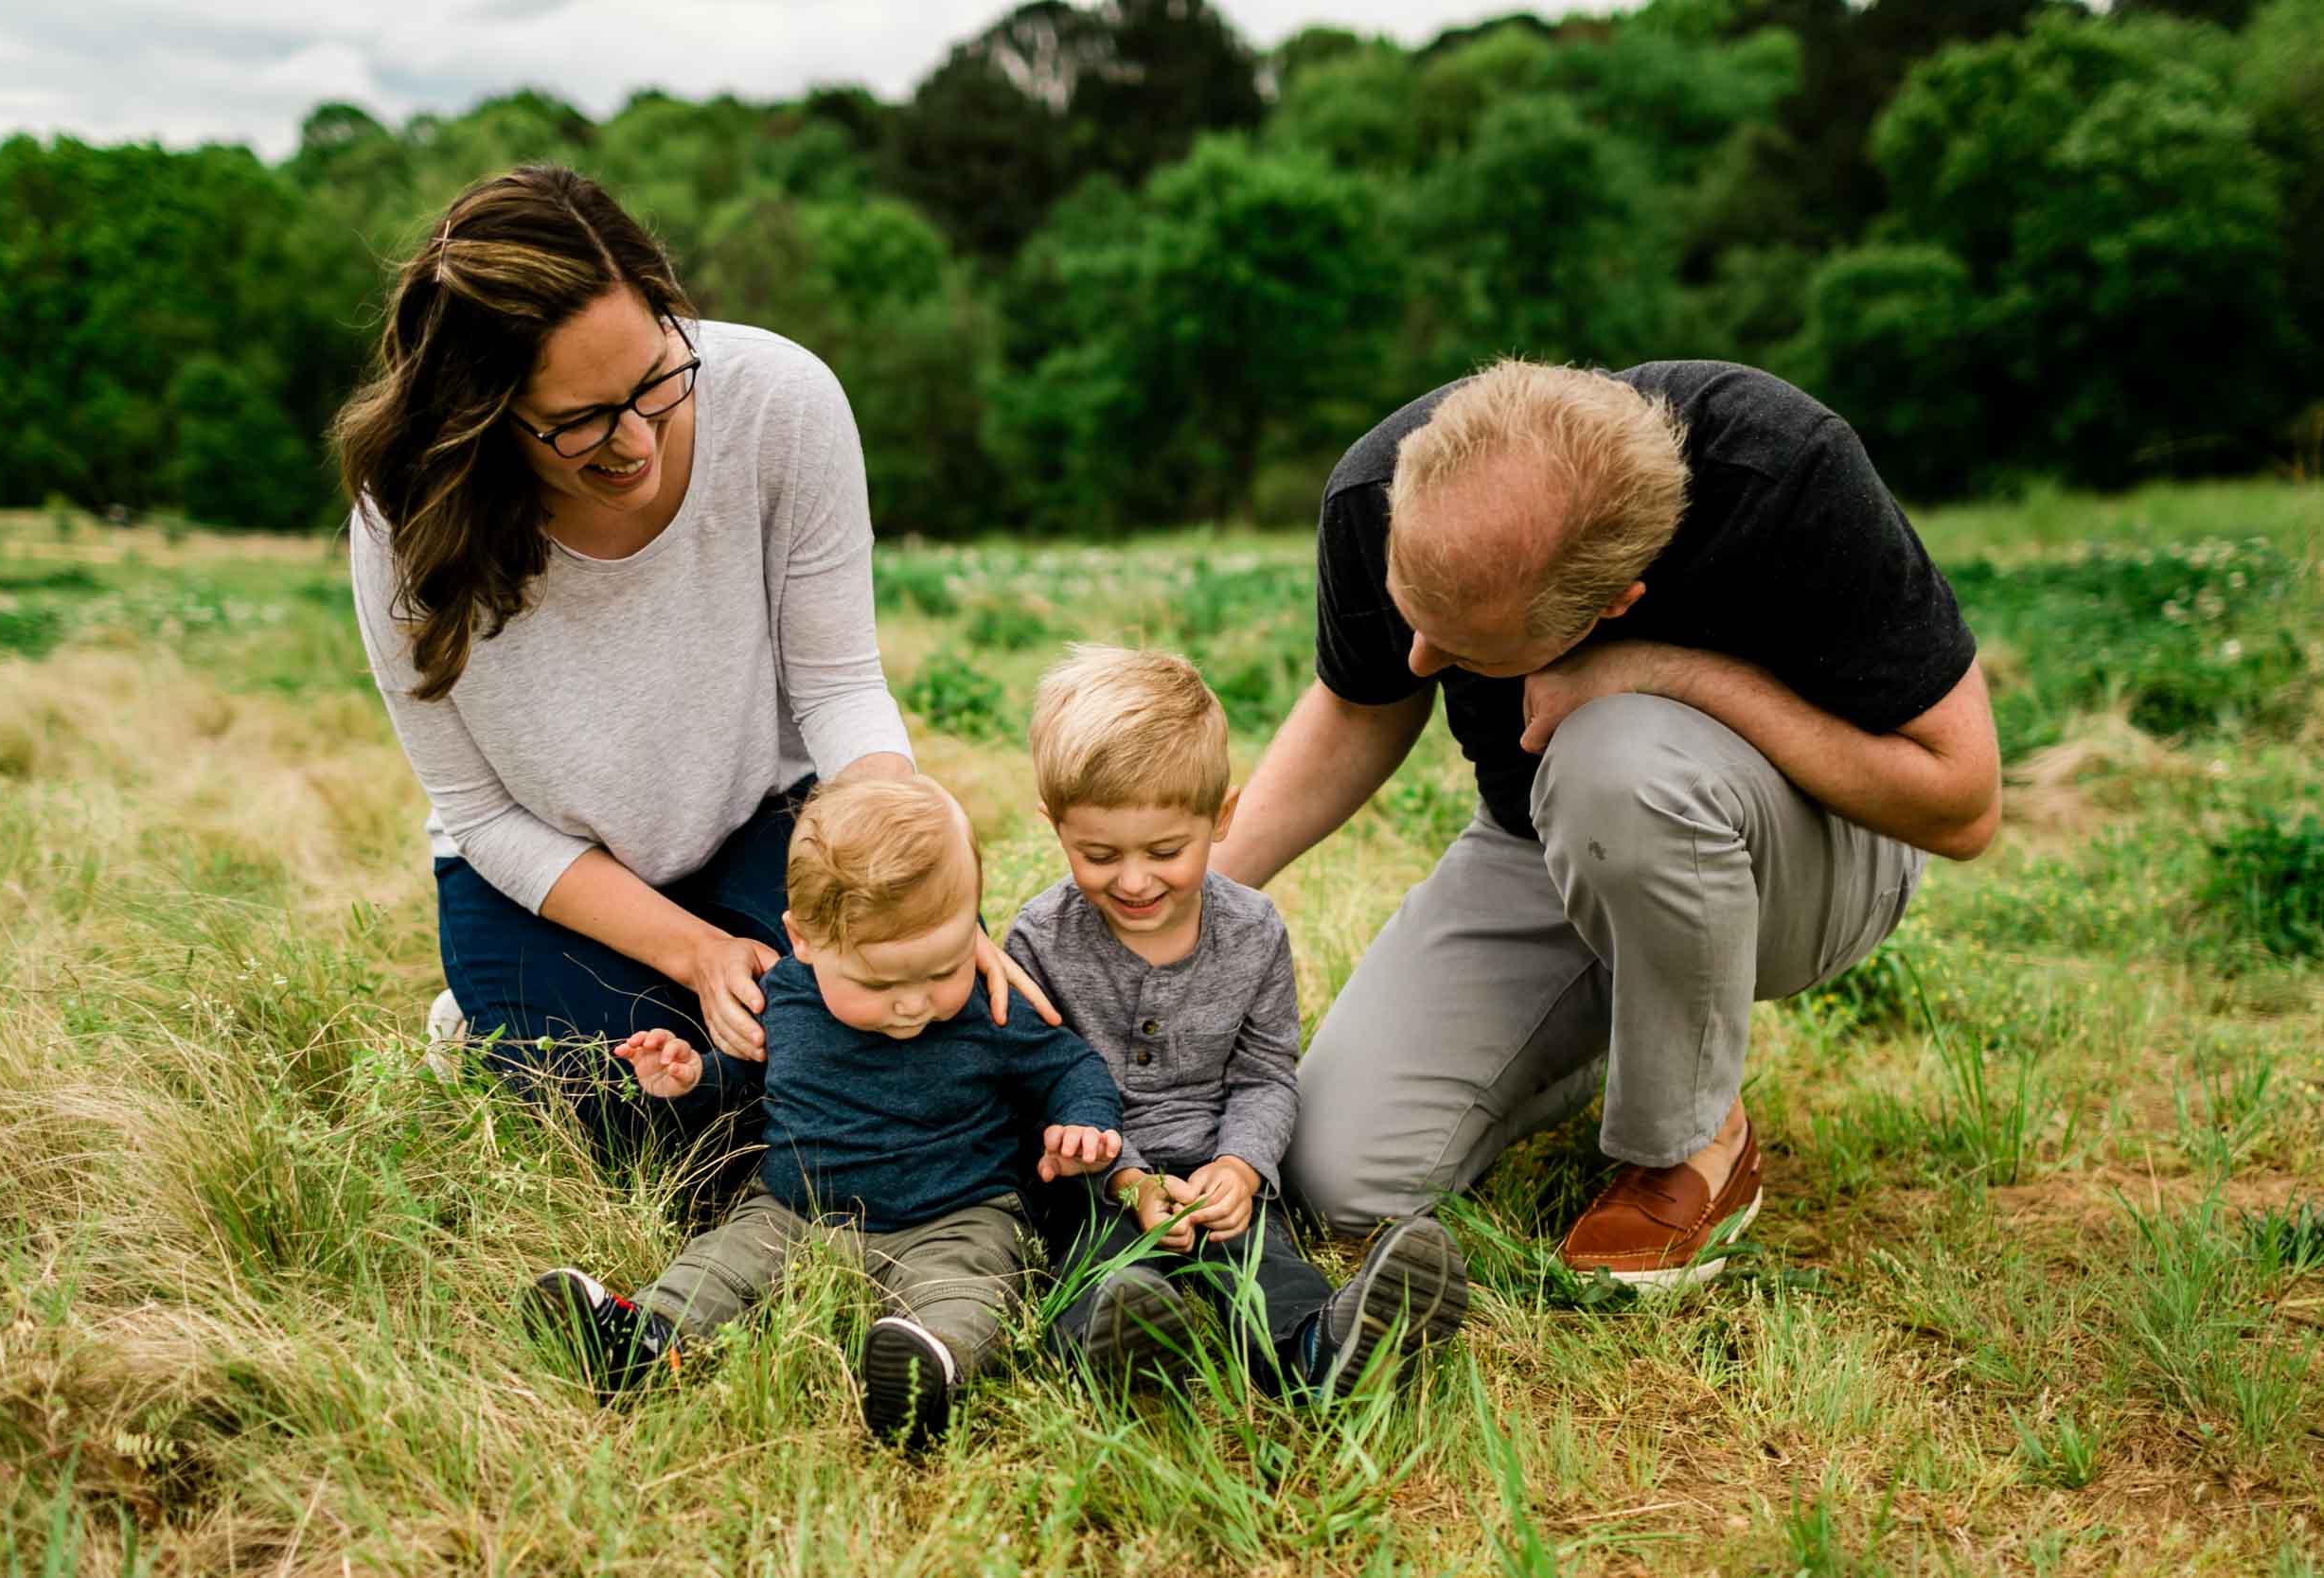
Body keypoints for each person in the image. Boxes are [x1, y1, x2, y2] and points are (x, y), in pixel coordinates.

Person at [1212, 359, 2000, 1287]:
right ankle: (1642, 1029)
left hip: (1809, 856)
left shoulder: (1784, 473)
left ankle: (1692, 1142)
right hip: (1553, 840)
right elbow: (1360, 706)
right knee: (1342, 1175)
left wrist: (1666, 673)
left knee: (1614, 756)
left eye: (1463, 649)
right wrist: (1197, 891)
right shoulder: (1375, 489)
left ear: (1611, 604)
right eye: (1413, 619)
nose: (1424, 657)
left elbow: (1961, 800)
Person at [337, 166, 1050, 1161]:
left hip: (758, 822)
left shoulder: (781, 403)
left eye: (655, 383)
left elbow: (839, 685)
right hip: (546, 869)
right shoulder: (401, 519)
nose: (636, 439)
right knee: (639, 1122)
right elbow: (482, 811)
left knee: (894, 1064)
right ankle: (488, 1016)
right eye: (579, 419)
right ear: (482, 413)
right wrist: (698, 952)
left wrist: (916, 866)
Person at [527, 777, 1126, 1448]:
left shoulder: (990, 1005)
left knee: (971, 1285)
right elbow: (749, 1076)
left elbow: (1071, 1066)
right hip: (793, 1211)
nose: (914, 1002)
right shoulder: (785, 994)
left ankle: (932, 1368)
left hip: (954, 1215)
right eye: (879, 983)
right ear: (804, 940)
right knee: (722, 1262)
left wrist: (1082, 1120)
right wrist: (690, 1078)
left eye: (942, 968)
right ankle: (648, 1336)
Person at [1007, 647, 1468, 1397]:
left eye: (1164, 850)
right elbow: (1030, 1077)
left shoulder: (1252, 931)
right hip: (1096, 1173)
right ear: (1054, 827)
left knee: (1260, 1258)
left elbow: (1264, 1075)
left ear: (1221, 817)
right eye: (1097, 854)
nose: (1132, 879)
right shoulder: (1039, 938)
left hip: (1212, 1156)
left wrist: (1239, 1168)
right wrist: (1124, 1173)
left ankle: (1321, 1350)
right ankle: (1122, 1346)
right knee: (1099, 1256)